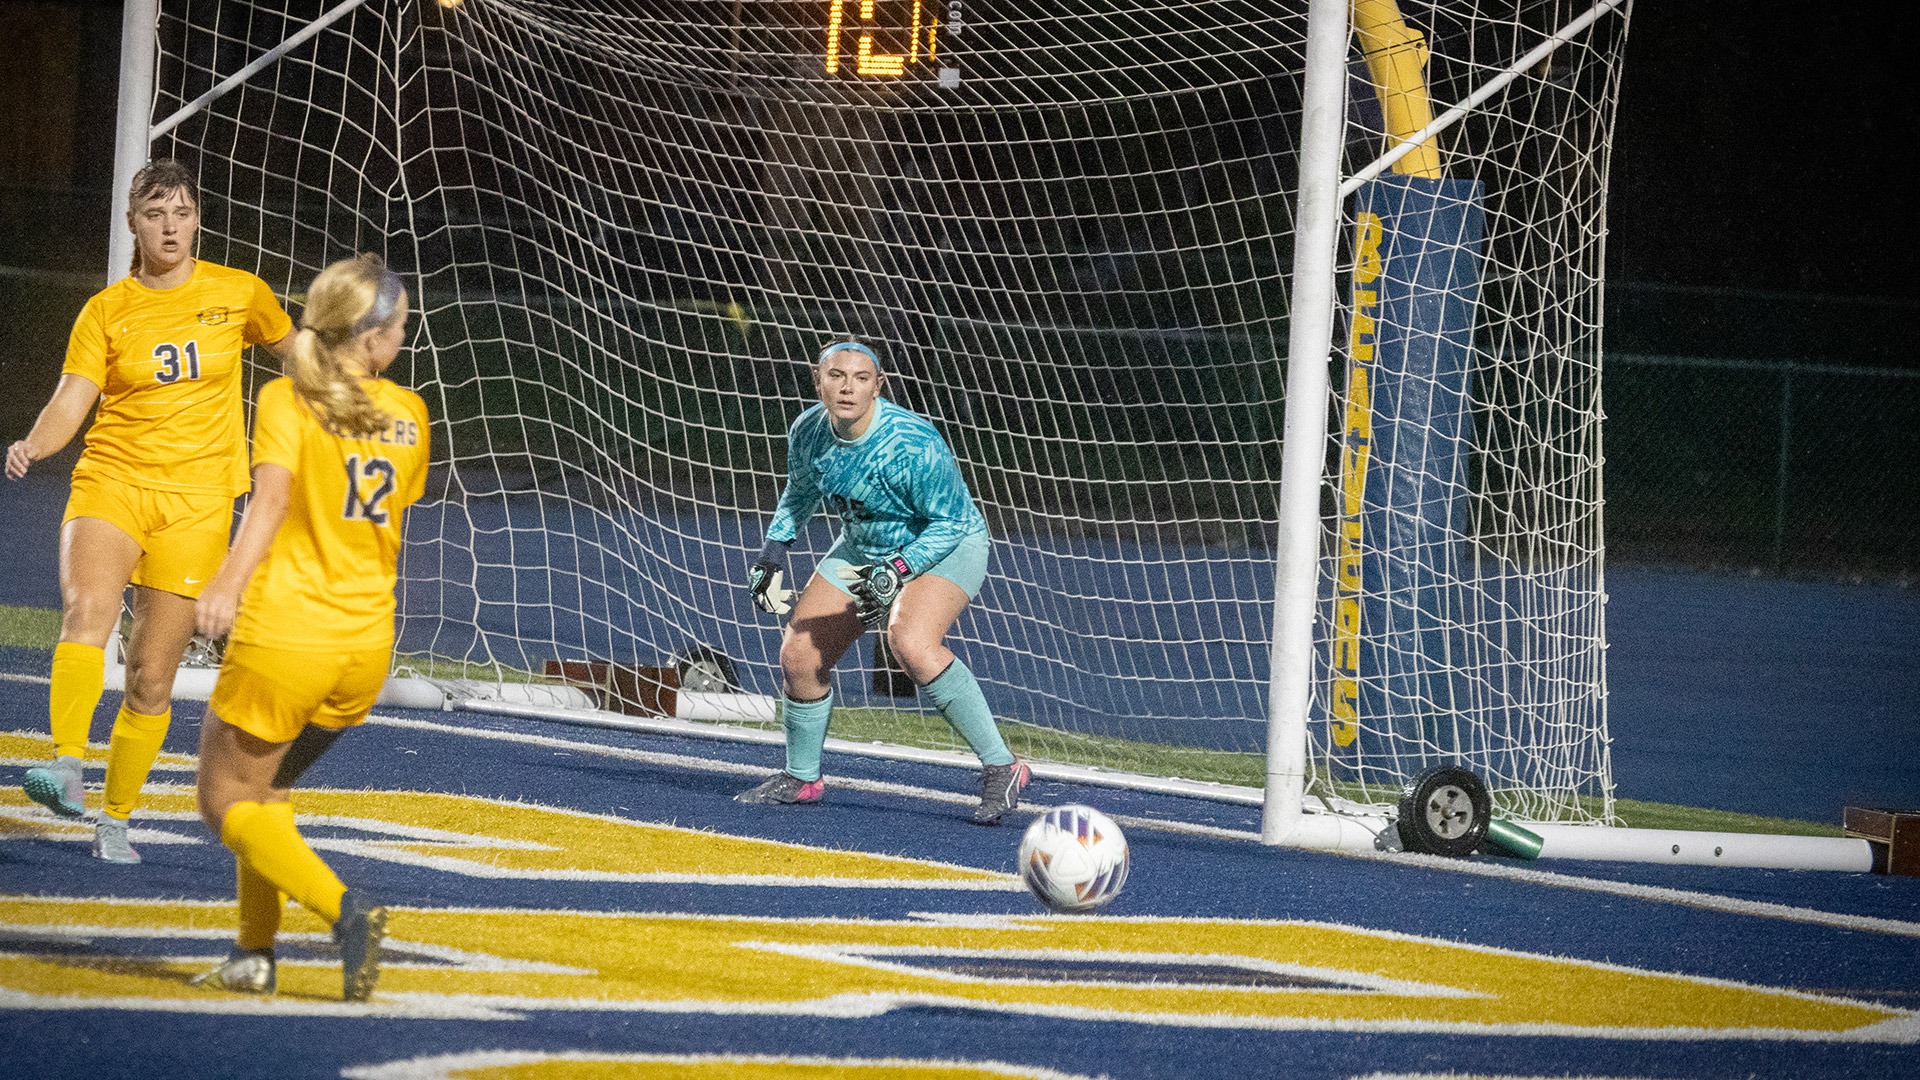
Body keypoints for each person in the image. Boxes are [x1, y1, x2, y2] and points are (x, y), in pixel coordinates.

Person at [7, 159, 296, 863]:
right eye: (155, 214)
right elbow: (74, 395)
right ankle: (67, 765)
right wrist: (35, 443)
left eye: (182, 212)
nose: (171, 226)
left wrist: (339, 396)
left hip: (198, 504)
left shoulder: (239, 292)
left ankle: (115, 817)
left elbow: (295, 355)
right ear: (133, 224)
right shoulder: (106, 311)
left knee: (151, 677)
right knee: (87, 614)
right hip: (112, 482)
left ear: (198, 219)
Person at [188, 253, 429, 1001]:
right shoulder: (412, 412)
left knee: (224, 798)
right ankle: (254, 956)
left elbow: (268, 507)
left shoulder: (287, 401)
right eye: (400, 322)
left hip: (289, 633)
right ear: (374, 338)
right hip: (366, 647)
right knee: (268, 793)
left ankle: (343, 909)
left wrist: (224, 585)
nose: (405, 332)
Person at [739, 341, 1030, 824]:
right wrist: (772, 553)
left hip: (944, 545)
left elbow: (951, 522)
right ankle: (802, 777)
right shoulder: (808, 430)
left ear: (878, 386)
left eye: (860, 378)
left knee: (911, 642)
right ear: (818, 380)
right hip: (863, 547)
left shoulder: (913, 442)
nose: (847, 386)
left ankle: (1004, 767)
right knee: (799, 655)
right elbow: (800, 491)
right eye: (836, 376)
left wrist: (897, 569)